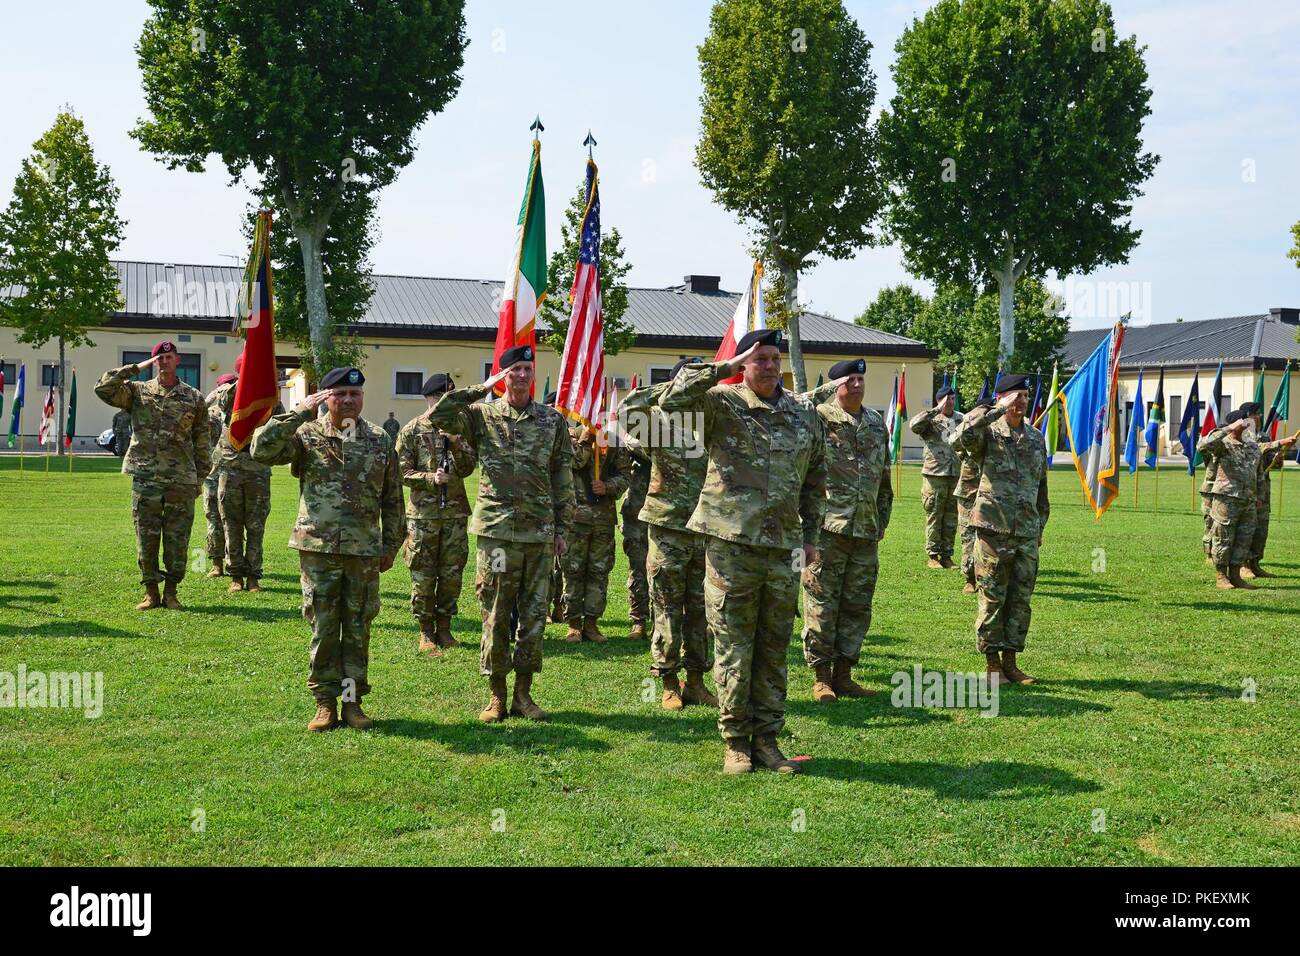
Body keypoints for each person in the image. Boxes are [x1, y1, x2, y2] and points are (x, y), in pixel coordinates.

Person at [659, 330, 826, 774]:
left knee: (773, 644)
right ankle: (735, 740)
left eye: (774, 358)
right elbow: (670, 400)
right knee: (733, 643)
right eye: (759, 359)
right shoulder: (721, 403)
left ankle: (768, 740)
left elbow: (815, 479)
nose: (770, 366)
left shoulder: (803, 414)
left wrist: (810, 538)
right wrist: (725, 367)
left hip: (783, 547)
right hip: (731, 544)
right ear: (744, 364)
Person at [423, 345, 575, 723]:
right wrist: (479, 388)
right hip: (496, 533)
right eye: (515, 370)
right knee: (495, 612)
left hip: (538, 533)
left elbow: (562, 474)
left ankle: (524, 694)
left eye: (528, 368)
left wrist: (562, 526)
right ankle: (496, 694)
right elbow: (438, 415)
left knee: (534, 615)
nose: (522, 375)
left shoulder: (550, 421)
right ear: (502, 375)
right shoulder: (481, 415)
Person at [251, 366, 404, 732]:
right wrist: (300, 411)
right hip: (317, 548)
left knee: (357, 627)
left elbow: (393, 498)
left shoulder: (380, 439)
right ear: (326, 397)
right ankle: (323, 703)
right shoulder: (305, 435)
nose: (349, 400)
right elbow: (260, 449)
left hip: (363, 550)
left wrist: (391, 545)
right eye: (340, 394)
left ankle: (352, 702)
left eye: (355, 394)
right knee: (322, 625)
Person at [619, 358, 718, 711]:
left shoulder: (711, 421)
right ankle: (668, 682)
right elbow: (626, 410)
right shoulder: (658, 422)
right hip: (667, 528)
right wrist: (671, 389)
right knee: (666, 608)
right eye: (689, 383)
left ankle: (696, 681)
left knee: (701, 609)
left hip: (705, 527)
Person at [799, 359, 893, 702]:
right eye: (849, 380)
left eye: (860, 379)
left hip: (865, 528)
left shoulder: (874, 423)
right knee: (821, 601)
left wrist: (881, 518)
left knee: (857, 604)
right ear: (835, 385)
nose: (857, 385)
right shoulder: (818, 418)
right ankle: (821, 677)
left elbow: (884, 476)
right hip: (826, 527)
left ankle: (844, 674)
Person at [95, 341, 210, 610]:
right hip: (146, 476)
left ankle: (171, 592)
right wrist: (135, 368)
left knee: (177, 538)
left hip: (181, 478)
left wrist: (201, 477)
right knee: (146, 537)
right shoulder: (137, 392)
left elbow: (202, 439)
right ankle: (150, 592)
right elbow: (103, 388)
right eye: (159, 358)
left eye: (168, 357)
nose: (164, 362)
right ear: (153, 362)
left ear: (177, 360)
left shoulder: (193, 397)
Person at [951, 373, 1050, 686]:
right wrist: (992, 411)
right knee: (993, 598)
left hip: (1026, 532)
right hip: (993, 528)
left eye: (1024, 396)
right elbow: (957, 439)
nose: (1021, 402)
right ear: (1002, 398)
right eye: (1015, 396)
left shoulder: (1035, 438)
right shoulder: (988, 433)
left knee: (1019, 600)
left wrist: (1039, 525)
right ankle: (993, 664)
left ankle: (1011, 662)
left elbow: (1041, 487)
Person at [395, 373, 477, 656]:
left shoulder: (459, 430)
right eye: (443, 398)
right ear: (429, 398)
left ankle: (445, 626)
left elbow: (468, 467)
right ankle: (426, 630)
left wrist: (455, 442)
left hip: (454, 514)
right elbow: (401, 472)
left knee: (452, 573)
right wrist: (430, 478)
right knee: (424, 574)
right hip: (424, 516)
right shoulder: (412, 430)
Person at [213, 356, 282, 592]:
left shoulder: (269, 397)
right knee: (230, 525)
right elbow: (222, 402)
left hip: (258, 469)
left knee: (255, 526)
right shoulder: (230, 392)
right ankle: (235, 577)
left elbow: (279, 423)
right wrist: (245, 382)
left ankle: (253, 576)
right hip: (230, 469)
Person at [560, 422, 629, 643]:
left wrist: (608, 486)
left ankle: (591, 624)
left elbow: (625, 475)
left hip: (603, 519)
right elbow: (573, 462)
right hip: (576, 518)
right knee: (573, 570)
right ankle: (573, 625)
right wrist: (585, 439)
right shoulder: (572, 436)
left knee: (599, 572)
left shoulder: (614, 440)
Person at [1197, 406, 1265, 590]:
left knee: (1244, 538)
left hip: (1248, 500)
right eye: (1244, 421)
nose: (1248, 424)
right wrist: (1228, 428)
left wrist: (1260, 496)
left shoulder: (1252, 446)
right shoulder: (1223, 444)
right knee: (1223, 538)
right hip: (1226, 499)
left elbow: (1259, 474)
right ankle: (1221, 576)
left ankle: (1236, 576)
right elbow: (1203, 444)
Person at [1239, 402, 1297, 579]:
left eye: (1258, 414)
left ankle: (1255, 564)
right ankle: (1242, 566)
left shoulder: (1263, 436)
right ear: (1247, 416)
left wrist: (1278, 459)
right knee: (1246, 529)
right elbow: (1253, 450)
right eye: (1255, 414)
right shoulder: (1240, 435)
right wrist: (1279, 442)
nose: (1259, 417)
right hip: (1247, 490)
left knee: (1261, 530)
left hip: (1263, 490)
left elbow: (1269, 462)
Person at [909, 385, 961, 568]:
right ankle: (932, 556)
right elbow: (914, 425)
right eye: (947, 399)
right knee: (934, 515)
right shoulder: (930, 419)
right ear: (939, 400)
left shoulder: (960, 419)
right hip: (934, 474)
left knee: (951, 518)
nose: (951, 403)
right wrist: (936, 410)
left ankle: (947, 555)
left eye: (953, 399)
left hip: (955, 474)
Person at [951, 401, 988, 594]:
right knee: (967, 536)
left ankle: (987, 576)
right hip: (968, 491)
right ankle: (970, 577)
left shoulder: (994, 431)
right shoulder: (966, 430)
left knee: (988, 538)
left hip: (991, 492)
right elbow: (955, 442)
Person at [202, 375, 233, 579]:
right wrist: (207, 401)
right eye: (224, 389)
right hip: (212, 474)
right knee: (213, 519)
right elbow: (188, 421)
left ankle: (235, 563)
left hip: (235, 473)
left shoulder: (241, 413)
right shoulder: (209, 412)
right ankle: (216, 563)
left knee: (234, 520)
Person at [620, 443, 652, 641]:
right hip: (638, 507)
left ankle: (662, 621)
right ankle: (639, 620)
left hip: (671, 507)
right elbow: (630, 441)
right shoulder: (638, 423)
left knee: (668, 569)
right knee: (637, 565)